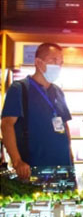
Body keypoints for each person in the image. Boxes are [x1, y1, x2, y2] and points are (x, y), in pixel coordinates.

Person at [1, 43, 72, 180]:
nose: (58, 66)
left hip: (62, 166)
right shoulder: (19, 88)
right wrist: (17, 161)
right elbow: (7, 124)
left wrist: (70, 154)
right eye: (54, 60)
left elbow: (64, 124)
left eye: (61, 62)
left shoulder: (58, 91)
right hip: (33, 167)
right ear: (39, 62)